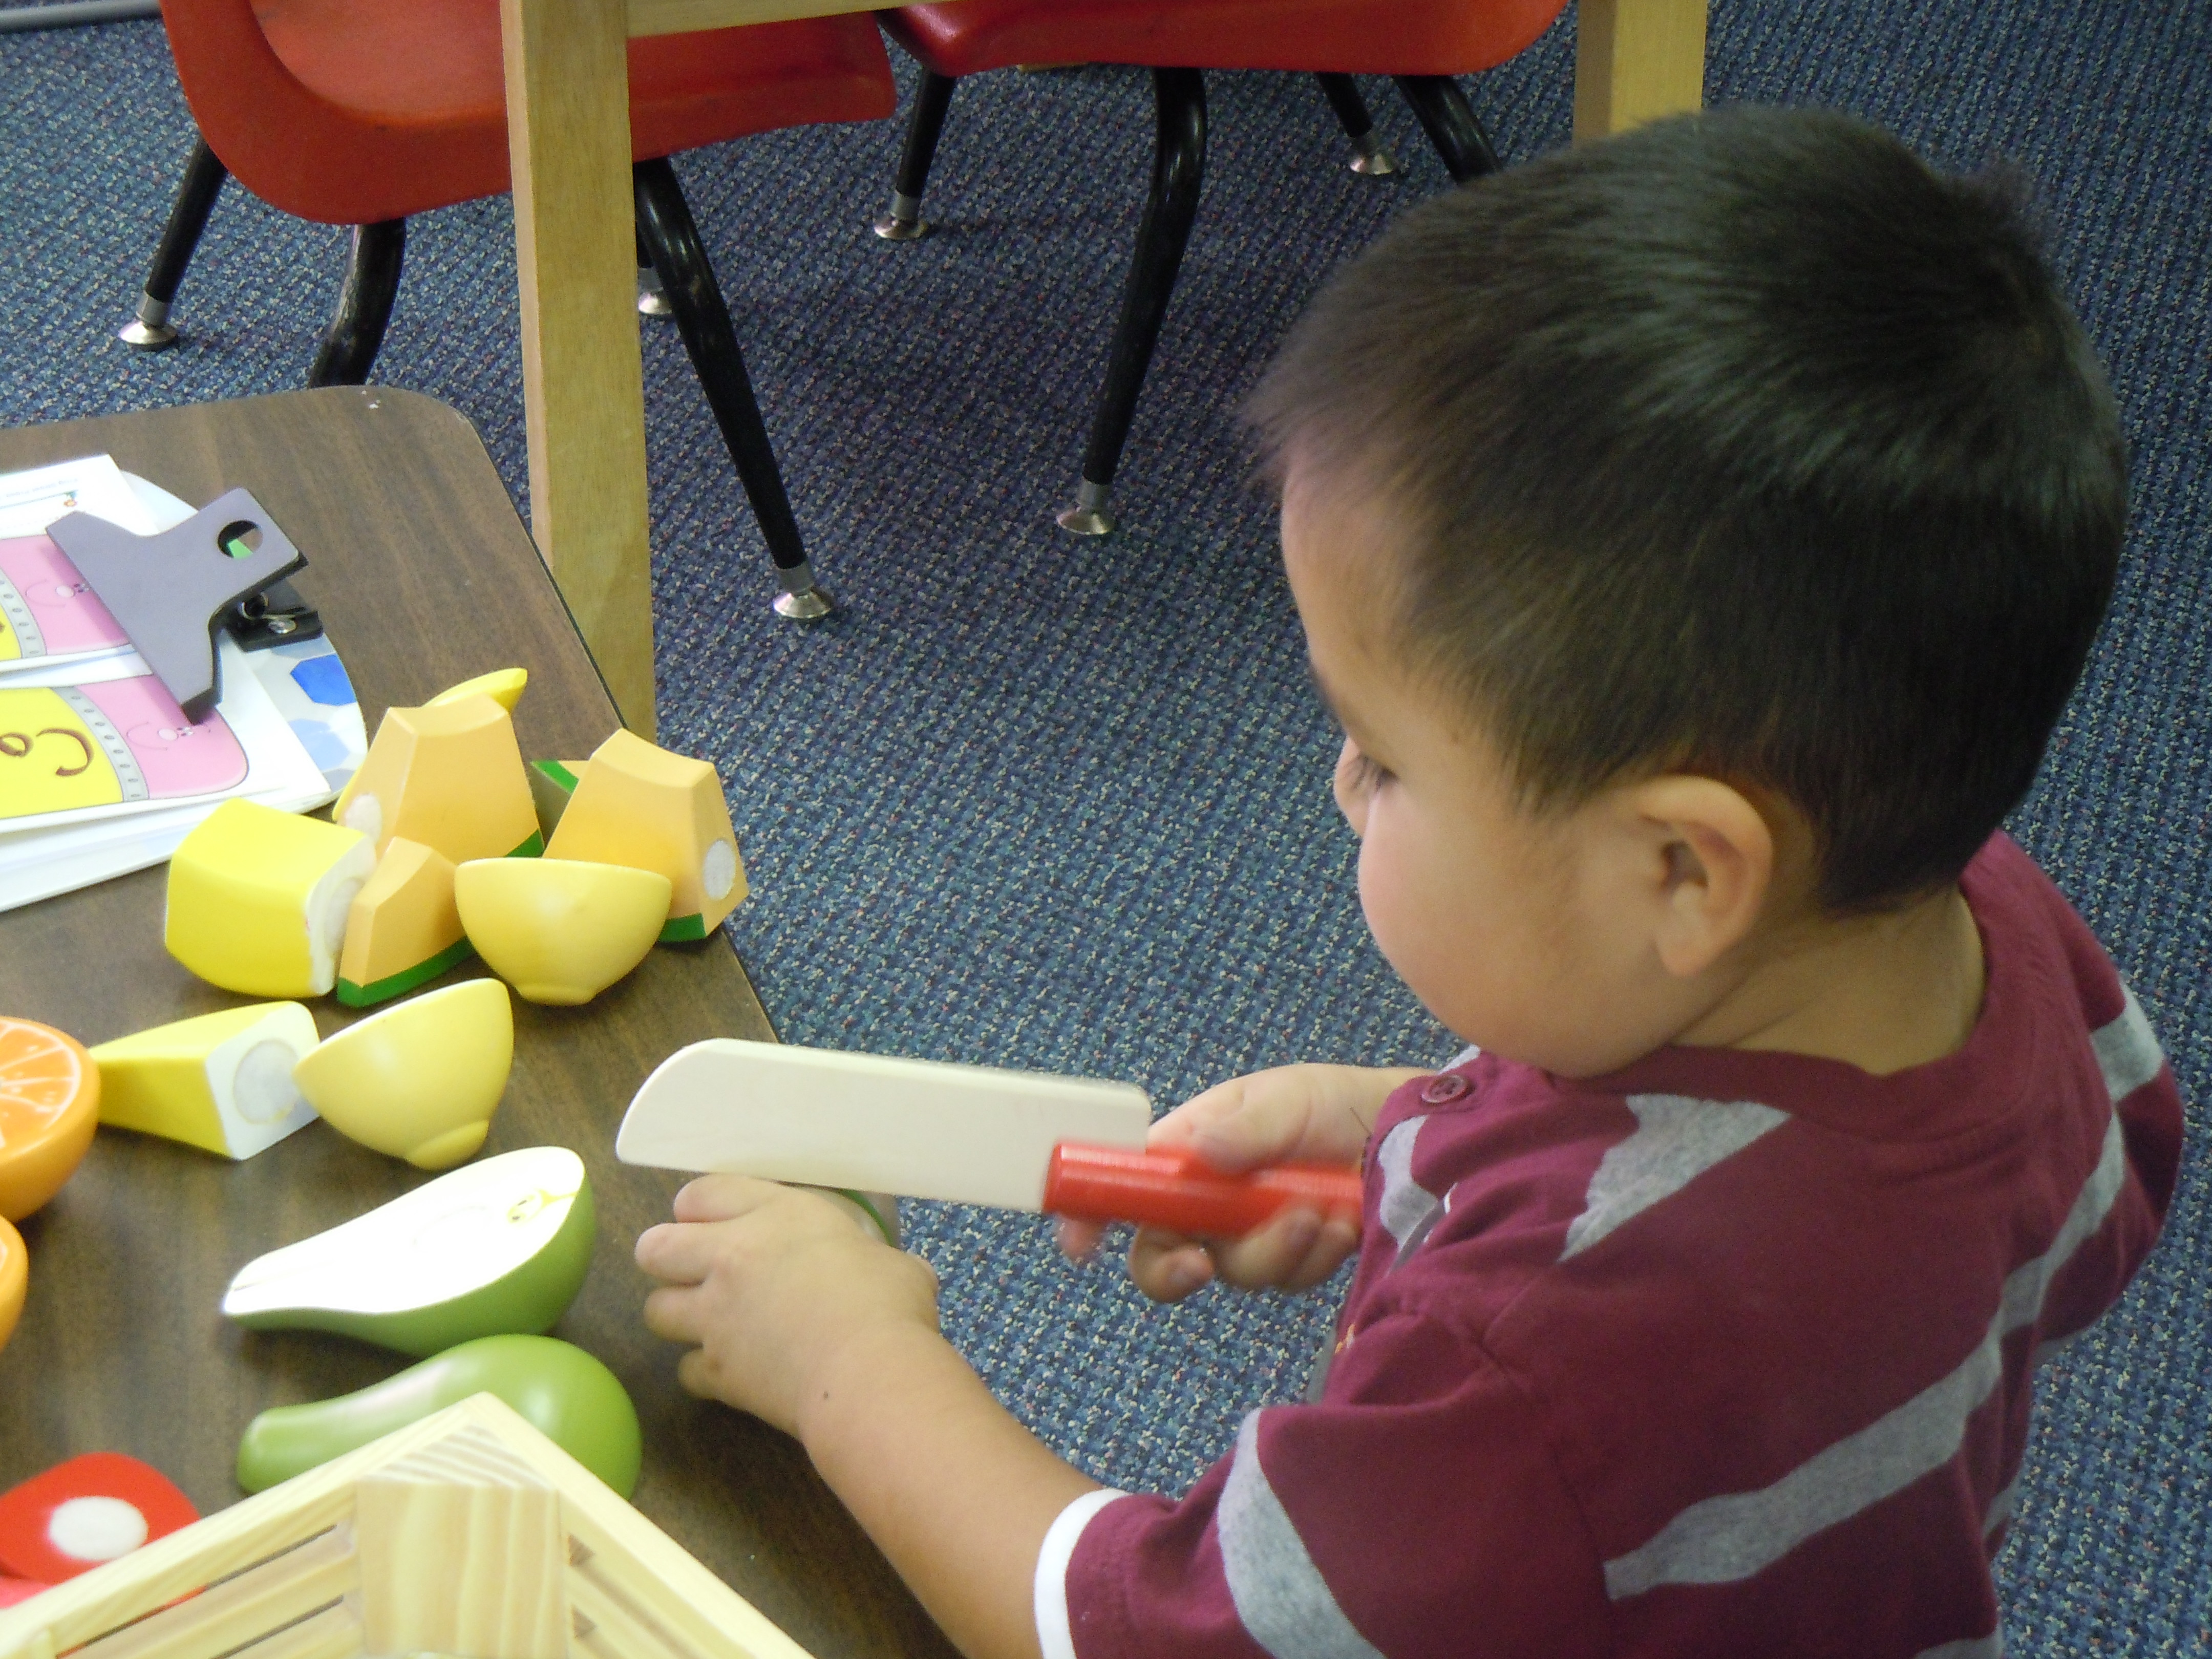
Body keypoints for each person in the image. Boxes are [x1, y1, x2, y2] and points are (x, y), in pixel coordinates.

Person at [632, 105, 2184, 1659]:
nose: (1337, 784)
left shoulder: (1545, 1363)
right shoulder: (1984, 916)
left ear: (1681, 867)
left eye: (1380, 753)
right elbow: (2095, 1187)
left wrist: (846, 1362)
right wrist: (1408, 1137)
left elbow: (1158, 1638)